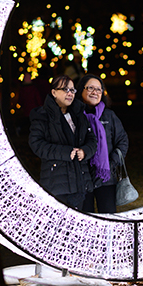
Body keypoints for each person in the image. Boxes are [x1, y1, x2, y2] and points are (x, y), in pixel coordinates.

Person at [28, 75, 97, 210]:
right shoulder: (42, 115)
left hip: (80, 181)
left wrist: (85, 151)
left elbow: (92, 140)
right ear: (54, 92)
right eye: (65, 90)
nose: (70, 93)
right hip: (57, 182)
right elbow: (36, 144)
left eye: (72, 90)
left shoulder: (78, 115)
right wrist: (65, 153)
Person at [76, 74, 129, 213]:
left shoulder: (109, 116)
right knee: (84, 218)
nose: (95, 92)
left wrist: (111, 164)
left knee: (108, 219)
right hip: (81, 178)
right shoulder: (74, 116)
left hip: (106, 178)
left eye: (99, 89)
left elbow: (122, 141)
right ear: (81, 90)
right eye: (90, 88)